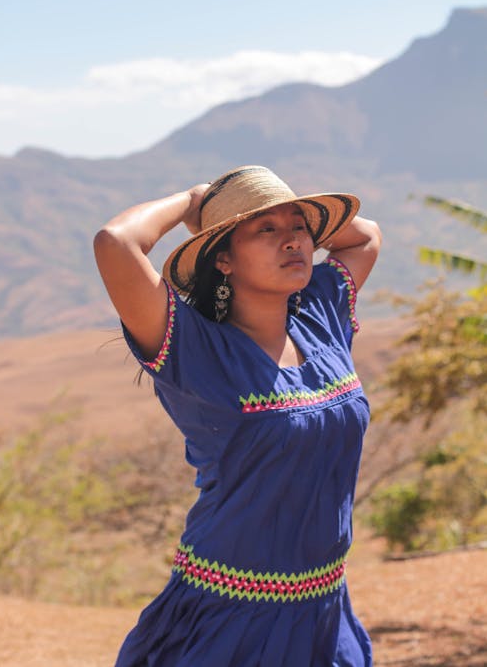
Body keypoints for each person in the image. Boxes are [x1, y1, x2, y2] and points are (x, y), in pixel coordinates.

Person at [94, 165, 382, 667]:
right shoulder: (195, 346)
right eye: (265, 230)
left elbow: (364, 236)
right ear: (222, 258)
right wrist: (194, 202)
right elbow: (115, 242)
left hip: (324, 607)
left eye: (299, 227)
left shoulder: (321, 314)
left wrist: (285, 213)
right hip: (230, 617)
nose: (292, 240)